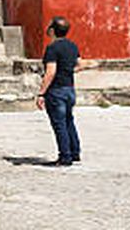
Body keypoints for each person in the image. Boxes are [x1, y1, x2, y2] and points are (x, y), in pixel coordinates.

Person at [36, 16, 82, 166]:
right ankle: (75, 152)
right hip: (69, 88)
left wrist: (41, 93)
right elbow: (79, 65)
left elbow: (50, 72)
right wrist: (67, 70)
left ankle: (65, 157)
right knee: (69, 120)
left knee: (59, 124)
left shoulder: (52, 48)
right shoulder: (73, 46)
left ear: (52, 30)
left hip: (56, 90)